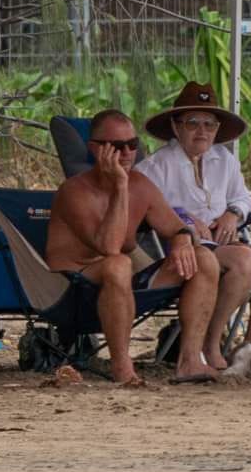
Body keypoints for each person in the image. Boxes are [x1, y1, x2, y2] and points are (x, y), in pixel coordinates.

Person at [47, 109, 222, 385]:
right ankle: (122, 367)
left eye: (133, 144)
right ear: (95, 149)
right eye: (117, 146)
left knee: (204, 258)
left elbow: (176, 226)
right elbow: (110, 247)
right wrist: (119, 187)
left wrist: (180, 240)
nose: (128, 153)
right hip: (71, 290)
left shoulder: (141, 185)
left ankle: (189, 360)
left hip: (121, 288)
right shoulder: (74, 191)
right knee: (119, 263)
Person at [136, 82, 251, 372]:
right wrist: (182, 220)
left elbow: (243, 197)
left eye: (210, 124)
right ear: (175, 126)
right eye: (193, 122)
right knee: (246, 260)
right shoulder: (155, 167)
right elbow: (142, 207)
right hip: (182, 251)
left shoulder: (224, 159)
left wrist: (233, 214)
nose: (202, 131)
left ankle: (250, 350)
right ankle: (212, 343)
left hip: (222, 243)